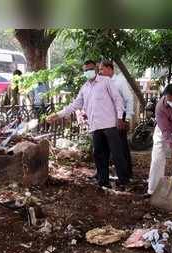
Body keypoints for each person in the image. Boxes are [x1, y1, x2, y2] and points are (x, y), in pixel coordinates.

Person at [47, 60, 129, 188]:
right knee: (99, 155)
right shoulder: (84, 88)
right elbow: (74, 105)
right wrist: (58, 115)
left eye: (90, 69)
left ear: (96, 69)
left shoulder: (106, 81)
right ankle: (103, 181)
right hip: (95, 126)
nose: (88, 72)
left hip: (110, 125)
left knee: (117, 154)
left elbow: (117, 99)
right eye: (85, 70)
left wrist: (120, 118)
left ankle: (124, 181)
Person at [99, 60, 134, 178]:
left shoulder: (119, 81)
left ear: (109, 69)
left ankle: (127, 174)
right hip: (106, 117)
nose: (100, 72)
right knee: (105, 146)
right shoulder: (102, 82)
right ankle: (103, 173)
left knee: (121, 146)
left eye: (101, 69)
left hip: (120, 118)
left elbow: (129, 99)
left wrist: (127, 118)